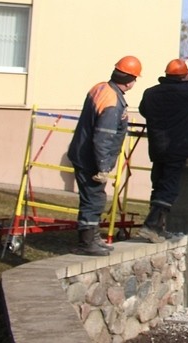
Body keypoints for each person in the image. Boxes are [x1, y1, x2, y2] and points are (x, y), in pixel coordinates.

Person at [67, 55, 142, 256]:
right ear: (130, 80)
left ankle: (92, 237)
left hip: (83, 152)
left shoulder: (100, 88)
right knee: (94, 200)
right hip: (91, 158)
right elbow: (103, 137)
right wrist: (103, 167)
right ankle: (86, 242)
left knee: (93, 198)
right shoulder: (112, 102)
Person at [136, 57, 188, 242]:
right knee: (169, 188)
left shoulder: (150, 93)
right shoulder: (187, 91)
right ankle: (151, 225)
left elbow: (144, 111)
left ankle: (159, 228)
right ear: (183, 76)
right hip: (177, 147)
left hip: (157, 147)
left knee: (159, 184)